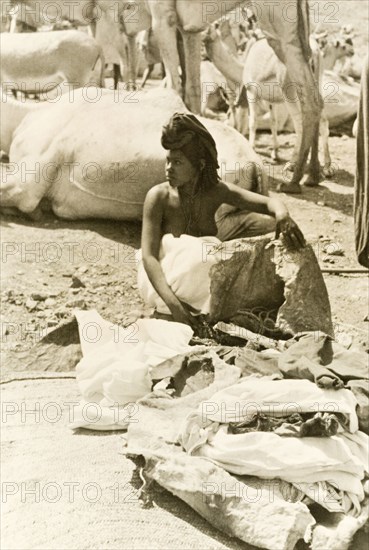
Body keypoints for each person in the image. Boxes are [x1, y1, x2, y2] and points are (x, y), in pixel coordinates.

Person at [141, 112, 305, 327]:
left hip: (203, 290)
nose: (169, 168)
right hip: (166, 290)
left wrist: (282, 215)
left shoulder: (214, 191)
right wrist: (176, 307)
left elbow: (267, 204)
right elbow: (149, 257)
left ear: (199, 166)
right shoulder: (159, 196)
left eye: (178, 162)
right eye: (168, 161)